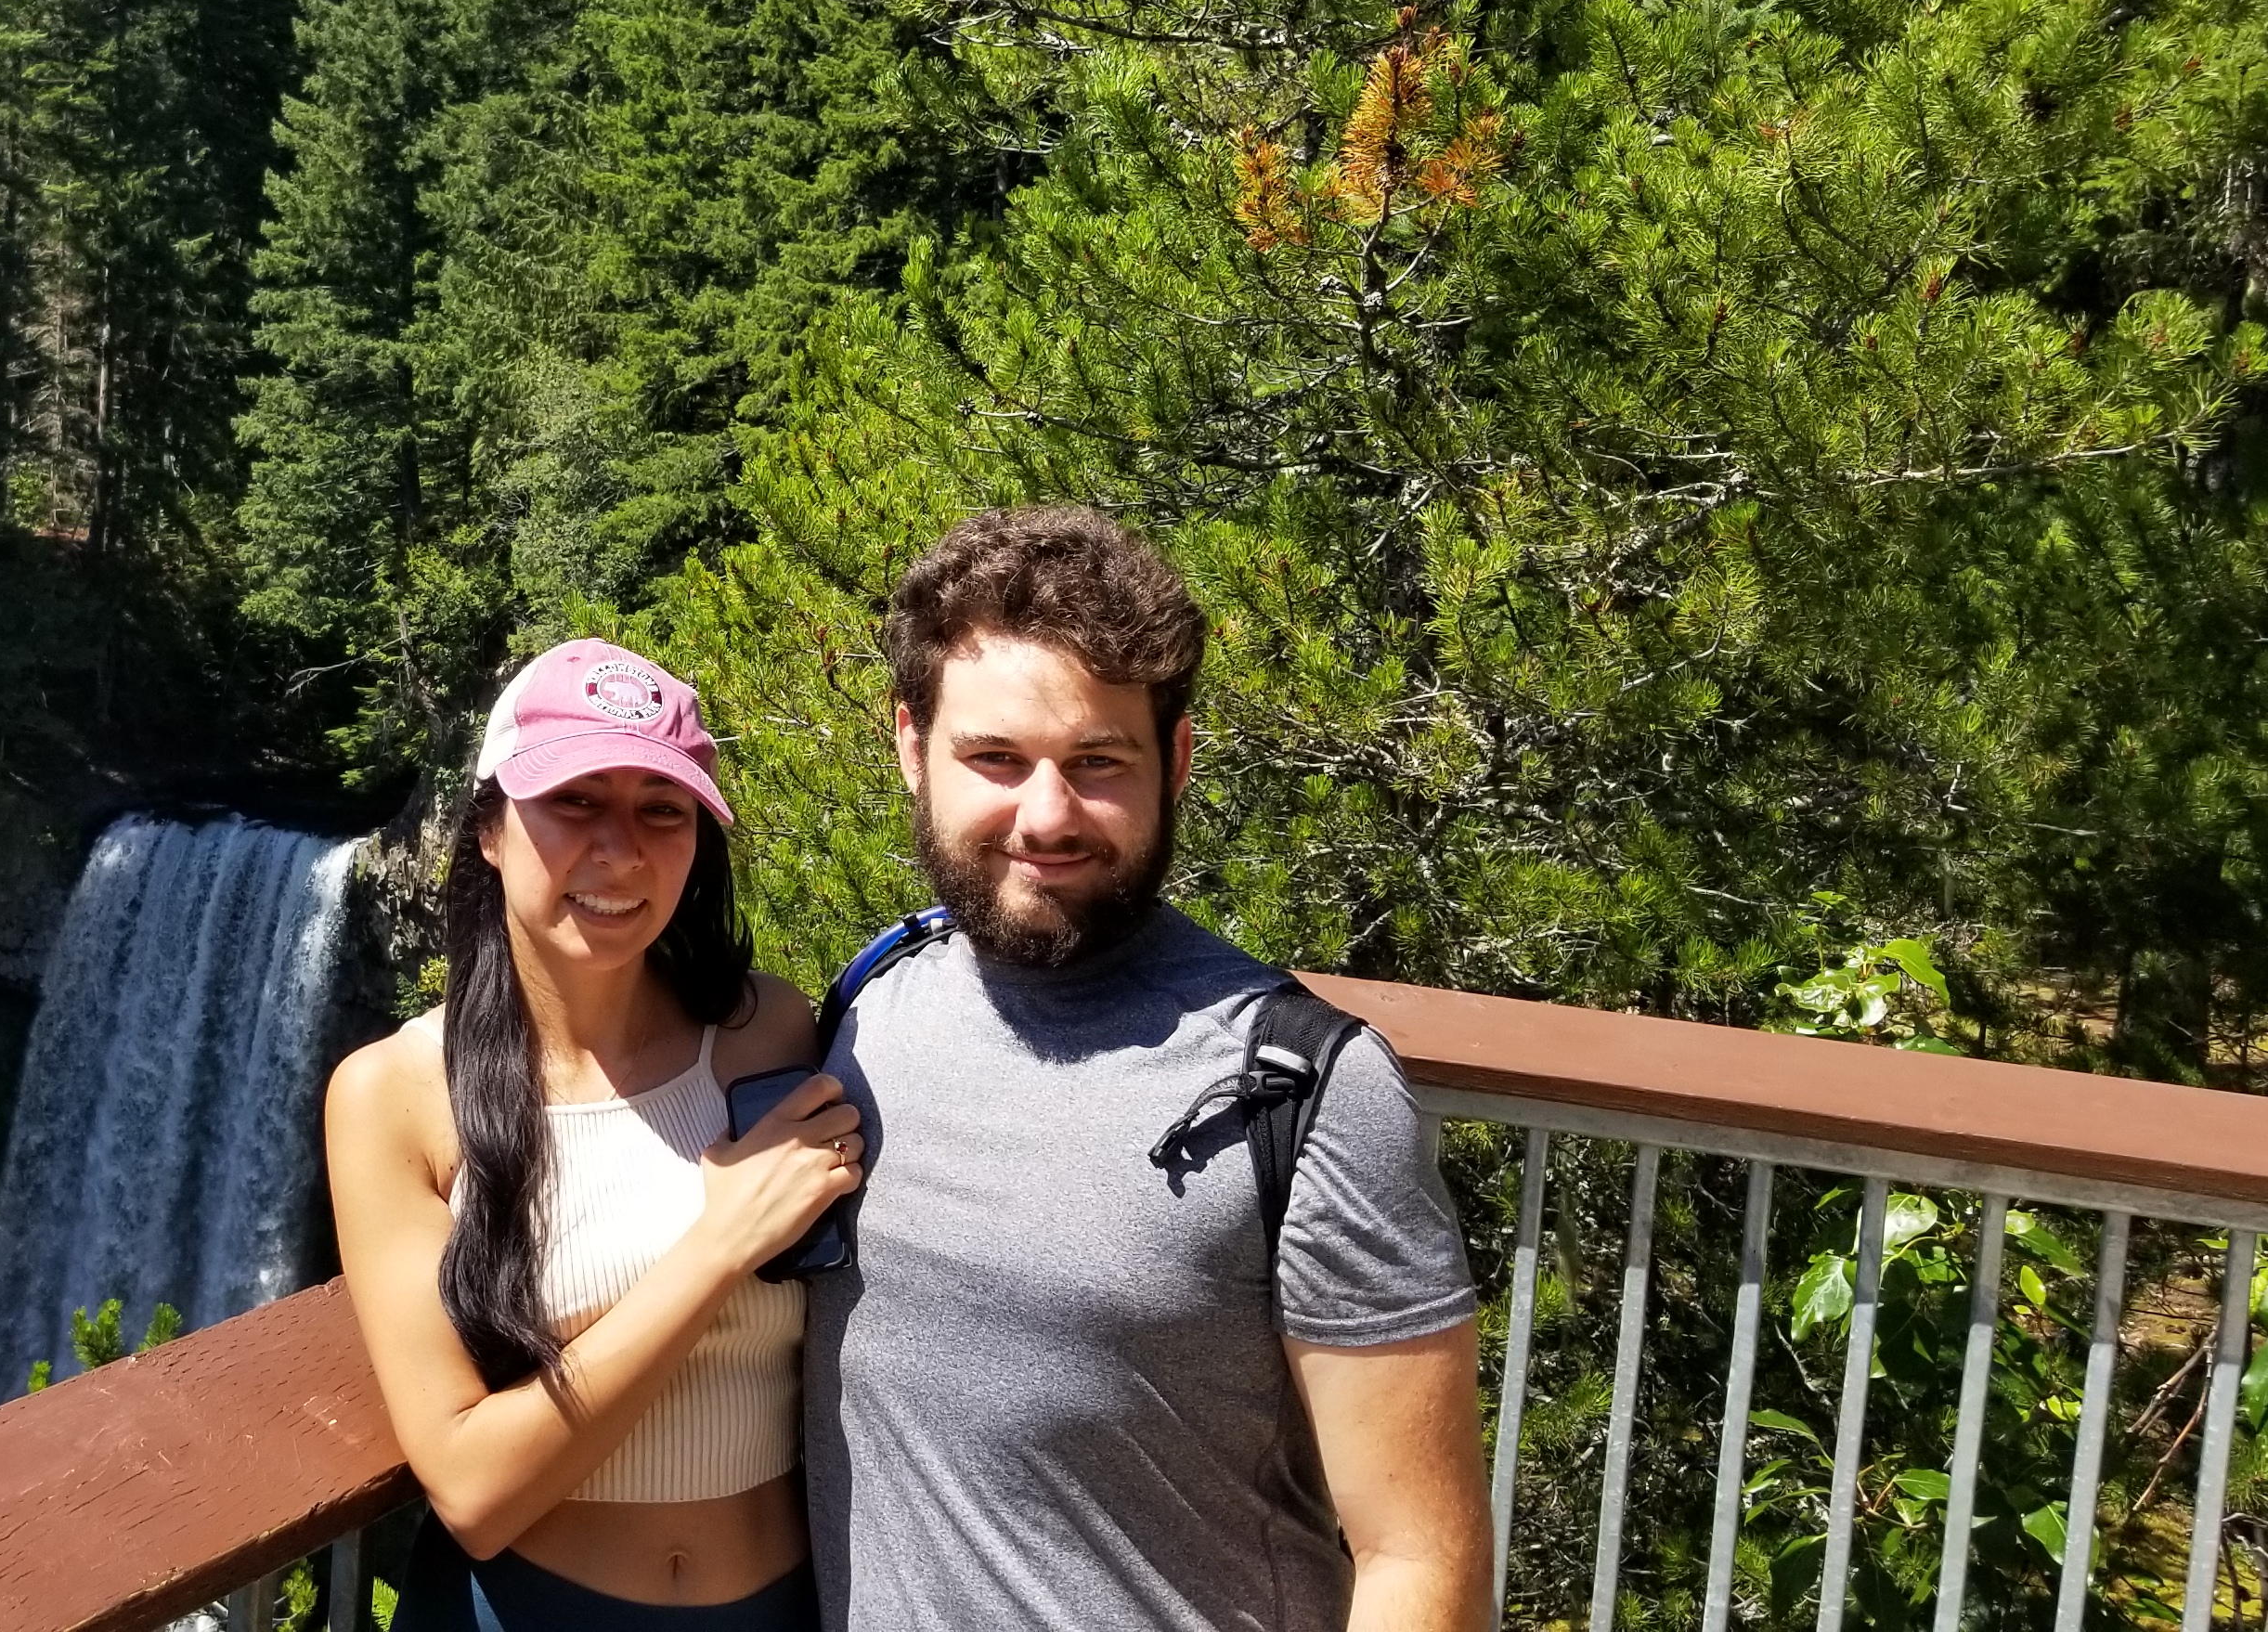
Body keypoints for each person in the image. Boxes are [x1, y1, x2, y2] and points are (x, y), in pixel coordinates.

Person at [803, 508, 1492, 1632]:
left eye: (1096, 762)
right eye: (994, 759)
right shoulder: (868, 1009)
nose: (1046, 814)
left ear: (1173, 761)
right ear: (907, 746)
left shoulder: (1304, 1087)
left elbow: (1422, 1556)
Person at [329, 639, 860, 1630]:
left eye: (662, 810)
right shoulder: (396, 1094)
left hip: (779, 1607)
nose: (619, 851)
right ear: (488, 827)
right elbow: (475, 1493)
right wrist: (719, 1243)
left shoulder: (771, 1034)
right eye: (575, 800)